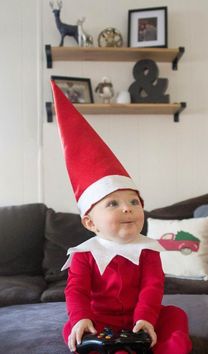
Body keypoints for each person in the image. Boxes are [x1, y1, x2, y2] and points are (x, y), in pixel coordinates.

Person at [51, 81, 192, 354]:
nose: (127, 208)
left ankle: (160, 346)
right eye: (113, 203)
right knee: (74, 329)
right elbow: (76, 291)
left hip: (141, 317)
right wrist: (81, 317)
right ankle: (111, 347)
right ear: (90, 222)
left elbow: (152, 287)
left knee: (175, 315)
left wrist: (146, 319)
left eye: (133, 201)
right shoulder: (84, 254)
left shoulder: (148, 249)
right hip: (100, 320)